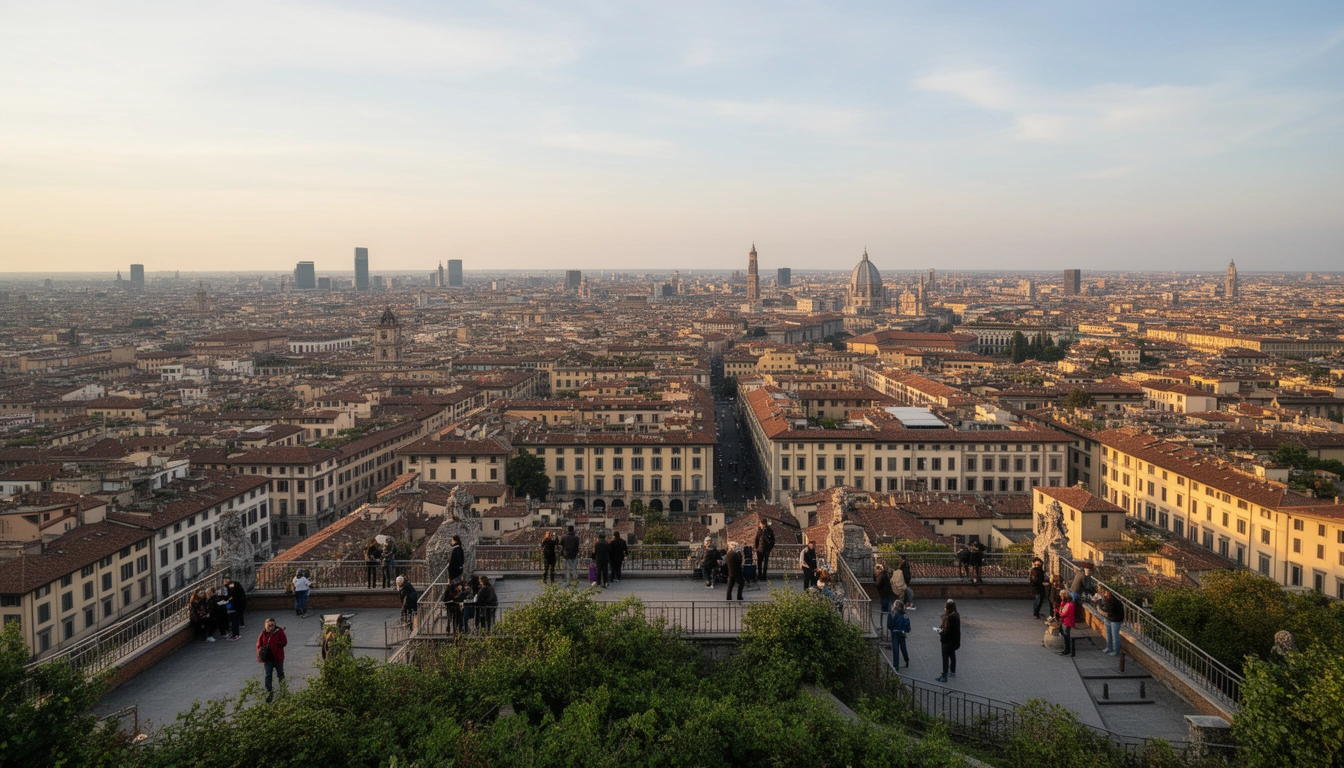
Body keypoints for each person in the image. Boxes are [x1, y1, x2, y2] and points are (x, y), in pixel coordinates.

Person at [256, 617, 288, 703]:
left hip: (278, 657)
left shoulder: (279, 632)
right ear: (265, 626)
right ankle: (269, 691)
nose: (270, 627)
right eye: (268, 625)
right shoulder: (263, 634)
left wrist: (278, 644)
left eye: (272, 625)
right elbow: (259, 645)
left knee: (280, 674)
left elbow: (284, 642)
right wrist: (260, 656)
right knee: (268, 675)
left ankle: (283, 690)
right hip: (268, 659)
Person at [935, 599, 961, 683]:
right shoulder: (956, 615)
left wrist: (939, 631)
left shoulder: (949, 618)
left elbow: (946, 631)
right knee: (952, 656)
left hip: (947, 641)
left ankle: (944, 675)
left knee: (945, 658)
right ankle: (952, 672)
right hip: (954, 640)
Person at [1099, 586, 1124, 656]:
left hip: (1116, 619)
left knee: (1115, 635)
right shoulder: (1106, 599)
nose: (1103, 594)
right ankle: (1109, 648)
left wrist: (1101, 611)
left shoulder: (1113, 601)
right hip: (1109, 618)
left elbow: (1109, 610)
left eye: (1104, 593)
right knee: (1108, 633)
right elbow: (1105, 608)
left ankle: (1116, 651)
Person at [887, 601, 911, 669]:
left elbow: (889, 625)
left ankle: (896, 666)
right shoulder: (904, 614)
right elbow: (908, 627)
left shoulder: (891, 614)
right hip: (902, 633)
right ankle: (906, 660)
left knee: (896, 650)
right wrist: (905, 630)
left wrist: (892, 628)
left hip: (894, 633)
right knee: (903, 649)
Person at [1058, 590, 1076, 657]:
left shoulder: (1070, 604)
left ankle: (1067, 649)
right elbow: (1061, 608)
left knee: (1066, 636)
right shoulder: (1067, 603)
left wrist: (1060, 612)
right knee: (1065, 635)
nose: (1061, 598)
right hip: (1065, 621)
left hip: (1068, 621)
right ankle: (1066, 649)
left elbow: (1064, 613)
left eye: (1062, 596)